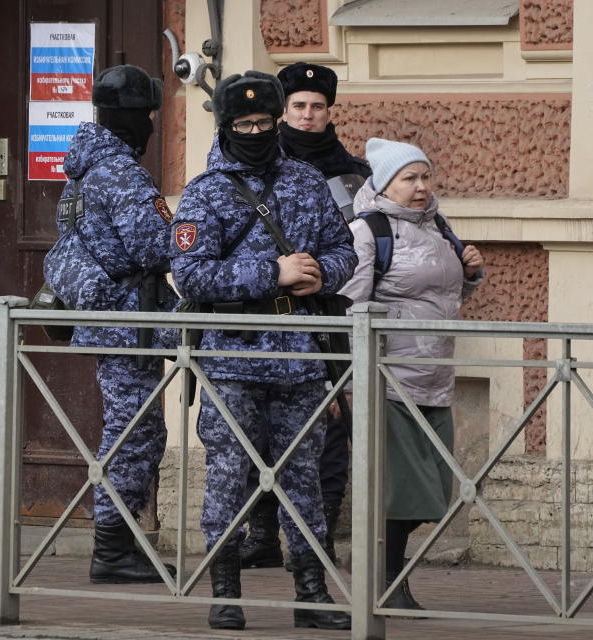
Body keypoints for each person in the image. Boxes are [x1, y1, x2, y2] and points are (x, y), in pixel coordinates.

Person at [171, 70, 356, 631]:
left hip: (300, 354)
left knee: (303, 476)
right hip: (234, 357)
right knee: (230, 473)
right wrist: (271, 272)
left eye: (263, 123)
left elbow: (344, 251)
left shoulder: (305, 180)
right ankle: (225, 590)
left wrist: (321, 275)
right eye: (243, 124)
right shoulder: (207, 191)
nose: (255, 132)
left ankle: (312, 591)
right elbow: (191, 274)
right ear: (226, 126)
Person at [43, 64, 179, 584]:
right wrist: (193, 235)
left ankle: (119, 545)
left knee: (134, 429)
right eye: (147, 114)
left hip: (111, 320)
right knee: (133, 432)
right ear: (132, 118)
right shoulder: (120, 172)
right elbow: (152, 245)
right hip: (128, 321)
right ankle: (113, 549)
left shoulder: (83, 170)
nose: (151, 122)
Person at [337, 137, 485, 609]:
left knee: (435, 487)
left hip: (434, 376)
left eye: (425, 177)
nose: (421, 187)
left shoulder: (438, 225)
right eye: (409, 179)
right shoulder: (368, 232)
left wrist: (471, 273)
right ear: (385, 184)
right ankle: (385, 583)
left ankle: (382, 575)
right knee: (402, 487)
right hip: (388, 377)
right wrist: (350, 381)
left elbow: (441, 299)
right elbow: (349, 308)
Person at [239, 61, 369, 571]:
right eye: (298, 107)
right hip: (264, 312)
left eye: (318, 107)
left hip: (330, 314)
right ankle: (263, 534)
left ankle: (317, 541)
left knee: (329, 428)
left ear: (330, 111)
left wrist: (328, 276)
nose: (308, 115)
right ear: (282, 112)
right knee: (260, 428)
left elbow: (358, 246)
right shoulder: (252, 165)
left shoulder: (356, 174)